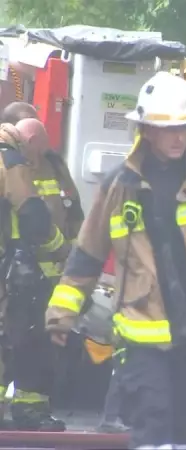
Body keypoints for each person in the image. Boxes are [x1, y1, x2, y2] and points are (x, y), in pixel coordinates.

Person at [44, 71, 186, 449]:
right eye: (168, 129)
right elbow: (87, 255)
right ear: (145, 130)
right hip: (142, 335)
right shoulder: (119, 185)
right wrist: (61, 314)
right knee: (153, 425)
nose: (179, 137)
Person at [0, 119, 81, 431]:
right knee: (26, 339)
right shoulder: (10, 162)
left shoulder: (51, 166)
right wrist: (62, 250)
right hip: (17, 270)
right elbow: (32, 215)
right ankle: (30, 411)